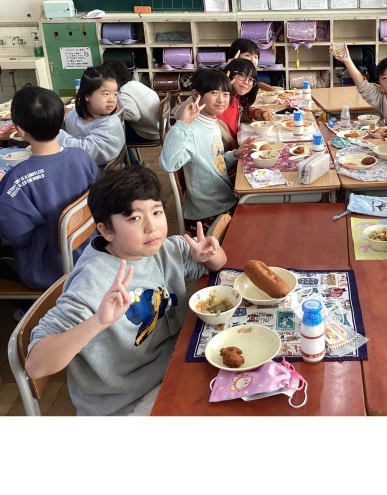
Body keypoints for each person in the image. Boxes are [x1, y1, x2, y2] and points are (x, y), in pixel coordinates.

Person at [25, 165, 227, 416]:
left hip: (173, 366)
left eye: (156, 212)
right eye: (134, 218)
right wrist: (97, 322)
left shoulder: (162, 249)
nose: (152, 227)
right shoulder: (92, 284)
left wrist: (210, 254)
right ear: (106, 230)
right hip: (127, 402)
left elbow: (218, 264)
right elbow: (36, 365)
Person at [0, 86, 98, 290]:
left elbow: (16, 237)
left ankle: (30, 306)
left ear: (20, 130)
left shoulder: (16, 179)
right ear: (61, 120)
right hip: (89, 253)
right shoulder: (82, 157)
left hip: (48, 269)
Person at [160, 67, 255, 234]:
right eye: (214, 93)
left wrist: (234, 154)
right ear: (196, 95)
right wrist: (182, 124)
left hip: (223, 198)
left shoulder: (212, 123)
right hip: (209, 213)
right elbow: (169, 164)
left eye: (225, 94)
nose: (221, 99)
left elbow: (215, 160)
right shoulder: (190, 130)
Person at [57, 65, 126, 169]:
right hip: (76, 166)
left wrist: (53, 134)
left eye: (115, 94)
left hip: (95, 175)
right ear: (87, 95)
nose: (112, 99)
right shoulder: (73, 115)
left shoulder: (110, 124)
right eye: (106, 94)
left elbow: (84, 151)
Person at [330, 43, 387, 133]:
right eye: (384, 78)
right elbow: (362, 85)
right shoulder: (382, 98)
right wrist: (347, 61)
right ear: (380, 84)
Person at [103, 59, 160, 144]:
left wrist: (113, 111)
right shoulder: (135, 84)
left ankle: (127, 153)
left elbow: (133, 116)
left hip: (146, 134)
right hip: (157, 128)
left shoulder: (123, 92)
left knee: (110, 137)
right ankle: (127, 153)